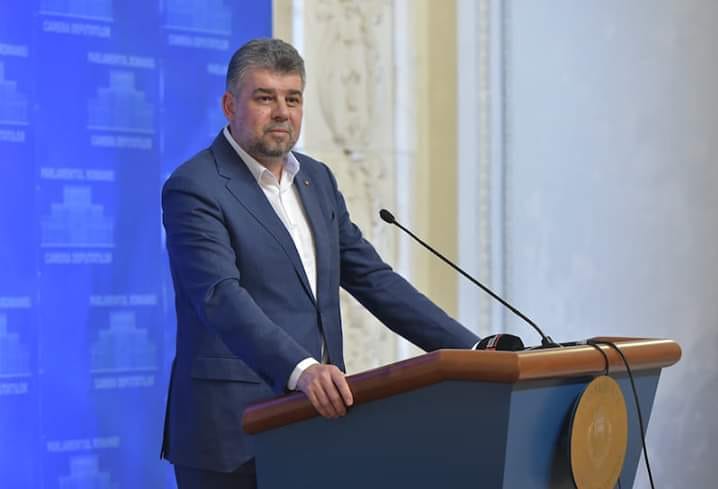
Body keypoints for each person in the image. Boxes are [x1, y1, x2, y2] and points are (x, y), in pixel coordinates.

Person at [161, 38, 480, 489]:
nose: (282, 112)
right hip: (230, 433)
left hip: (316, 425)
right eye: (265, 98)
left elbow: (373, 279)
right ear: (230, 105)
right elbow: (220, 297)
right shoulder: (195, 186)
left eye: (292, 99)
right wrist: (303, 369)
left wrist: (472, 352)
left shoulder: (317, 180)